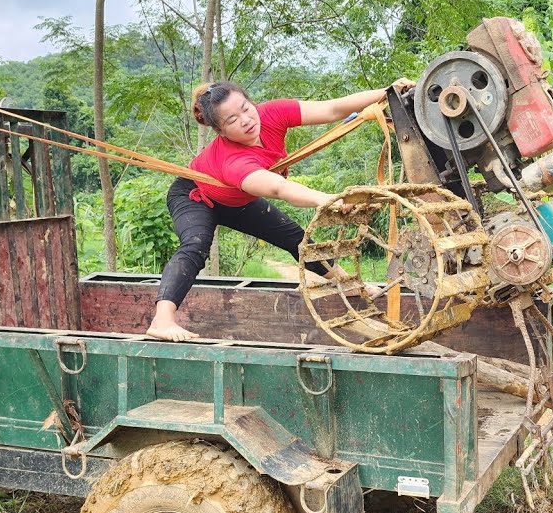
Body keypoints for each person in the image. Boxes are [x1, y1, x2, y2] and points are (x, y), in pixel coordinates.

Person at [146, 78, 411, 341]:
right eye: (231, 120)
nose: (246, 120)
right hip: (196, 194)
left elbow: (333, 109)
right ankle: (162, 320)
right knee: (196, 244)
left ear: (253, 102)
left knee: (294, 237)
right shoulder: (232, 160)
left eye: (245, 108)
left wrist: (388, 92)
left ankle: (348, 284)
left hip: (235, 198)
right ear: (221, 132)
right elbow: (277, 189)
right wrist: (327, 198)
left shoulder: (272, 113)